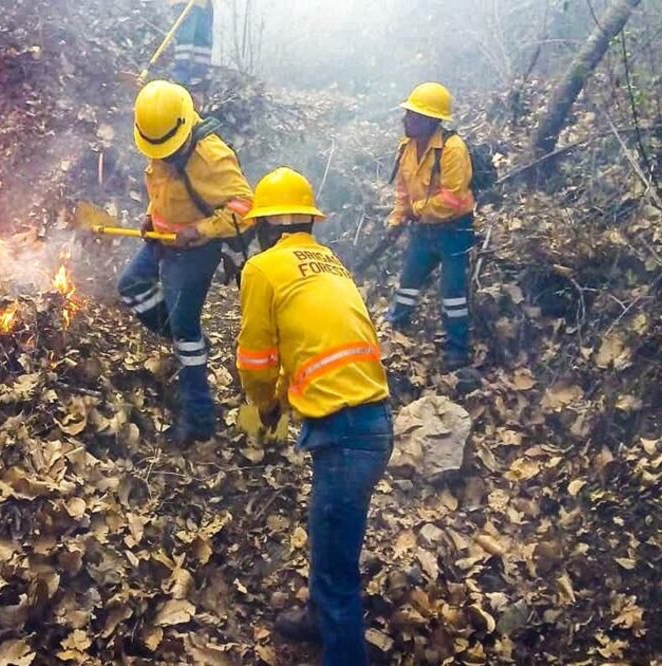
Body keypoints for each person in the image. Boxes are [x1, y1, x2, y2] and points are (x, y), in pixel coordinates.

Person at [236, 167, 392, 665]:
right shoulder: (329, 263)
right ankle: (319, 618)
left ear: (264, 226)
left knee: (336, 568)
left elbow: (256, 360)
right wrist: (286, 396)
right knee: (329, 538)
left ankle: (343, 649)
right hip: (370, 422)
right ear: (307, 223)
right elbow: (307, 348)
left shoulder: (262, 268)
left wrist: (264, 406)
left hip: (346, 432)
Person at [118, 80, 254, 445]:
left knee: (185, 328)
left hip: (195, 251)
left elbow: (246, 208)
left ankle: (199, 418)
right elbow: (165, 189)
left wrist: (202, 229)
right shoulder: (162, 138)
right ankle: (188, 345)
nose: (161, 155)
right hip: (163, 239)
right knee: (131, 287)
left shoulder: (212, 157)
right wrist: (152, 217)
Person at [384, 82, 477, 371]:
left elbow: (452, 198)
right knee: (408, 282)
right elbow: (403, 190)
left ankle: (457, 351)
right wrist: (397, 218)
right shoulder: (407, 147)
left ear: (431, 120)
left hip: (454, 232)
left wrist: (417, 211)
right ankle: (395, 329)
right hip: (423, 230)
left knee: (452, 293)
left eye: (413, 115)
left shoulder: (453, 149)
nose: (406, 119)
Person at [168, 0, 213, 92]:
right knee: (185, 38)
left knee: (203, 41)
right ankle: (179, 76)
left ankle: (199, 76)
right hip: (184, 3)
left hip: (203, 4)